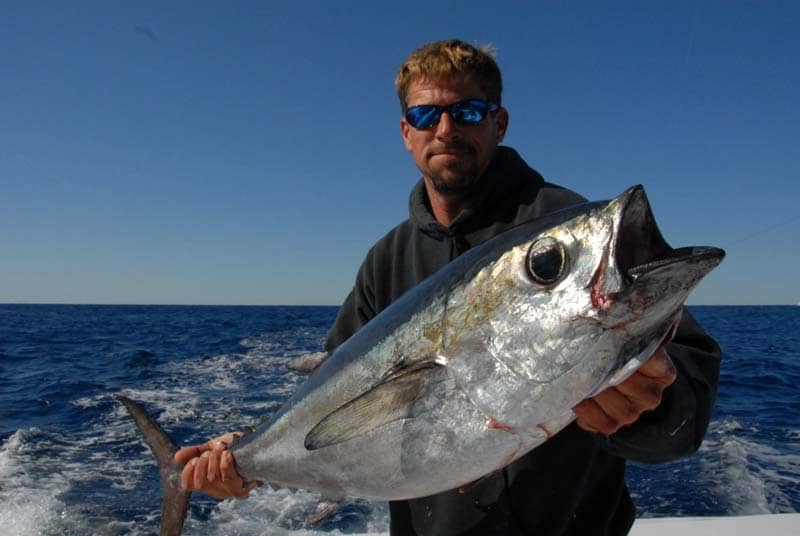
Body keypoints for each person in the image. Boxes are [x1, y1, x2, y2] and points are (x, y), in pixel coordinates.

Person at [175, 39, 721, 535]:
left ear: (498, 123)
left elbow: (685, 410)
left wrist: (652, 406)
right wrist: (243, 457)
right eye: (425, 114)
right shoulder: (386, 259)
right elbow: (329, 394)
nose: (446, 130)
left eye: (468, 112)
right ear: (406, 131)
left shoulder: (563, 229)